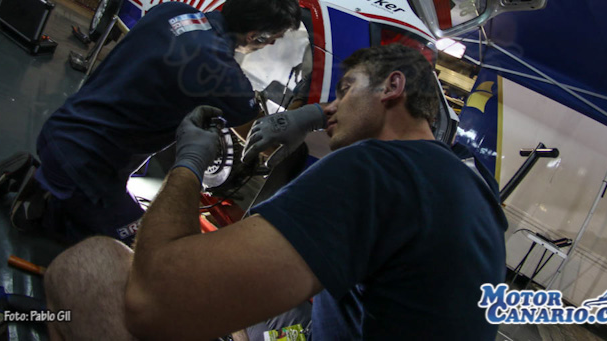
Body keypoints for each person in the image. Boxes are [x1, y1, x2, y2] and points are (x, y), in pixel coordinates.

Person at [43, 44, 508, 340]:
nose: (332, 108)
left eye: (346, 90)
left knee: (91, 265)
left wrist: (188, 163)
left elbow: (153, 300)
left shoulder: (376, 168)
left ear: (392, 87)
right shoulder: (472, 185)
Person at [0, 0, 301, 245]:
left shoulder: (173, 11)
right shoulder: (220, 70)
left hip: (61, 127)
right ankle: (43, 207)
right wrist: (305, 117)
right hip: (87, 169)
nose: (271, 46)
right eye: (272, 40)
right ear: (255, 36)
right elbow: (259, 132)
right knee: (139, 246)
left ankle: (43, 179)